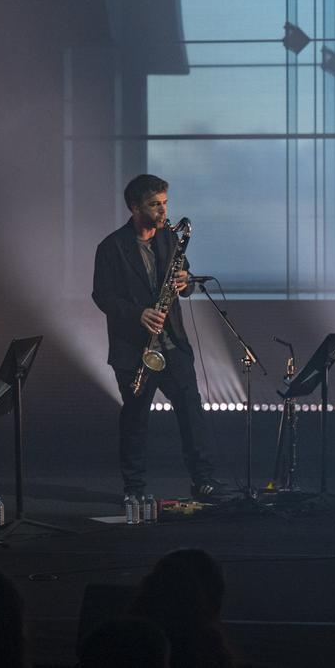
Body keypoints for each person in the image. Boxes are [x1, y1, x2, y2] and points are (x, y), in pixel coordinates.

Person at [93, 174, 226, 505]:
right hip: (134, 348)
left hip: (172, 343)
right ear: (135, 207)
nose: (164, 211)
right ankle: (134, 488)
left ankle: (204, 480)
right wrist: (138, 314)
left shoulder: (170, 239)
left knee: (191, 412)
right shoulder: (111, 247)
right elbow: (102, 296)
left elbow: (185, 279)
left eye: (165, 203)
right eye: (155, 204)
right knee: (136, 419)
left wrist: (186, 282)